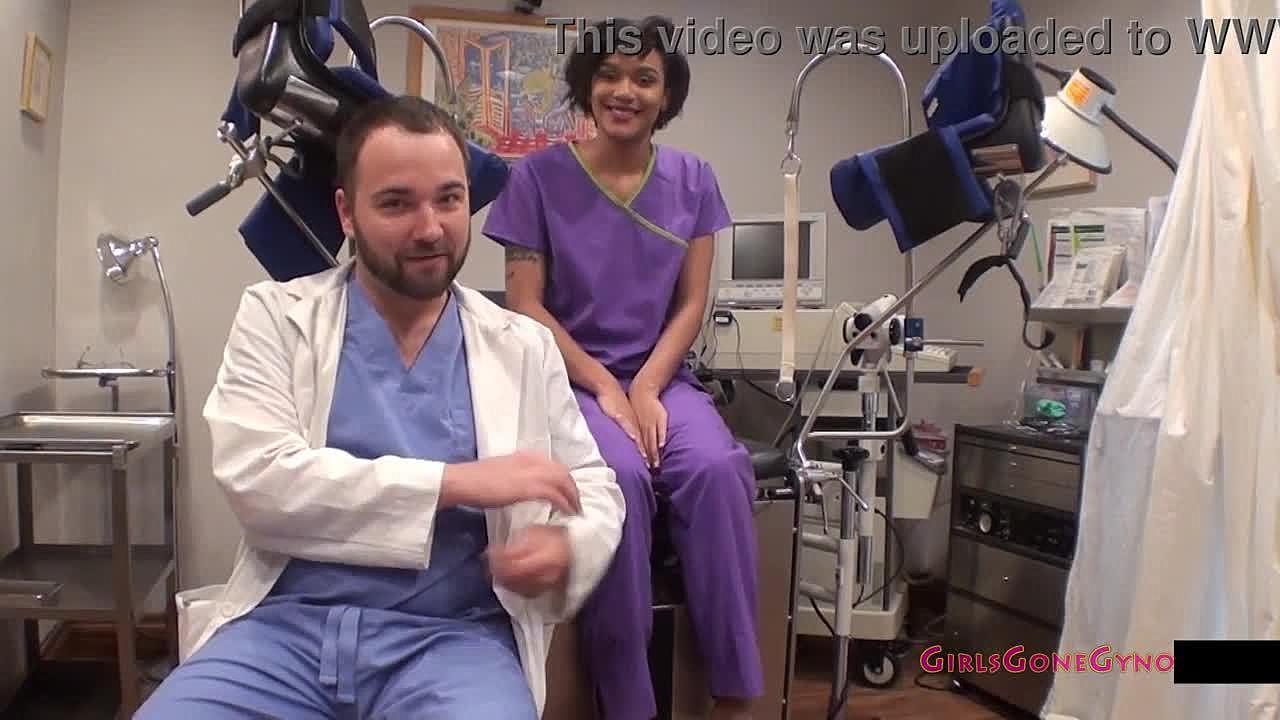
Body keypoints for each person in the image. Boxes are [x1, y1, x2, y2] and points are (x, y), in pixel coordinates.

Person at [135, 95, 625, 720]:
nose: (430, 228)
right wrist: (458, 482)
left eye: (449, 199)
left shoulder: (522, 345)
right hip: (281, 635)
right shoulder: (276, 318)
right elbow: (259, 480)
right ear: (347, 212)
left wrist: (570, 547)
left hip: (455, 642)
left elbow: (593, 485)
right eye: (396, 203)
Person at [482, 16, 763, 720]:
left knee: (717, 470)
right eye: (608, 74)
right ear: (587, 85)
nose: (624, 91)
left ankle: (733, 690)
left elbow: (693, 302)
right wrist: (608, 387)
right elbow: (525, 305)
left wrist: (646, 385)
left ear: (666, 96)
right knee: (619, 480)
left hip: (661, 377)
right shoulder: (536, 179)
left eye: (645, 78)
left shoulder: (694, 180)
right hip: (571, 381)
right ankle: (626, 698)